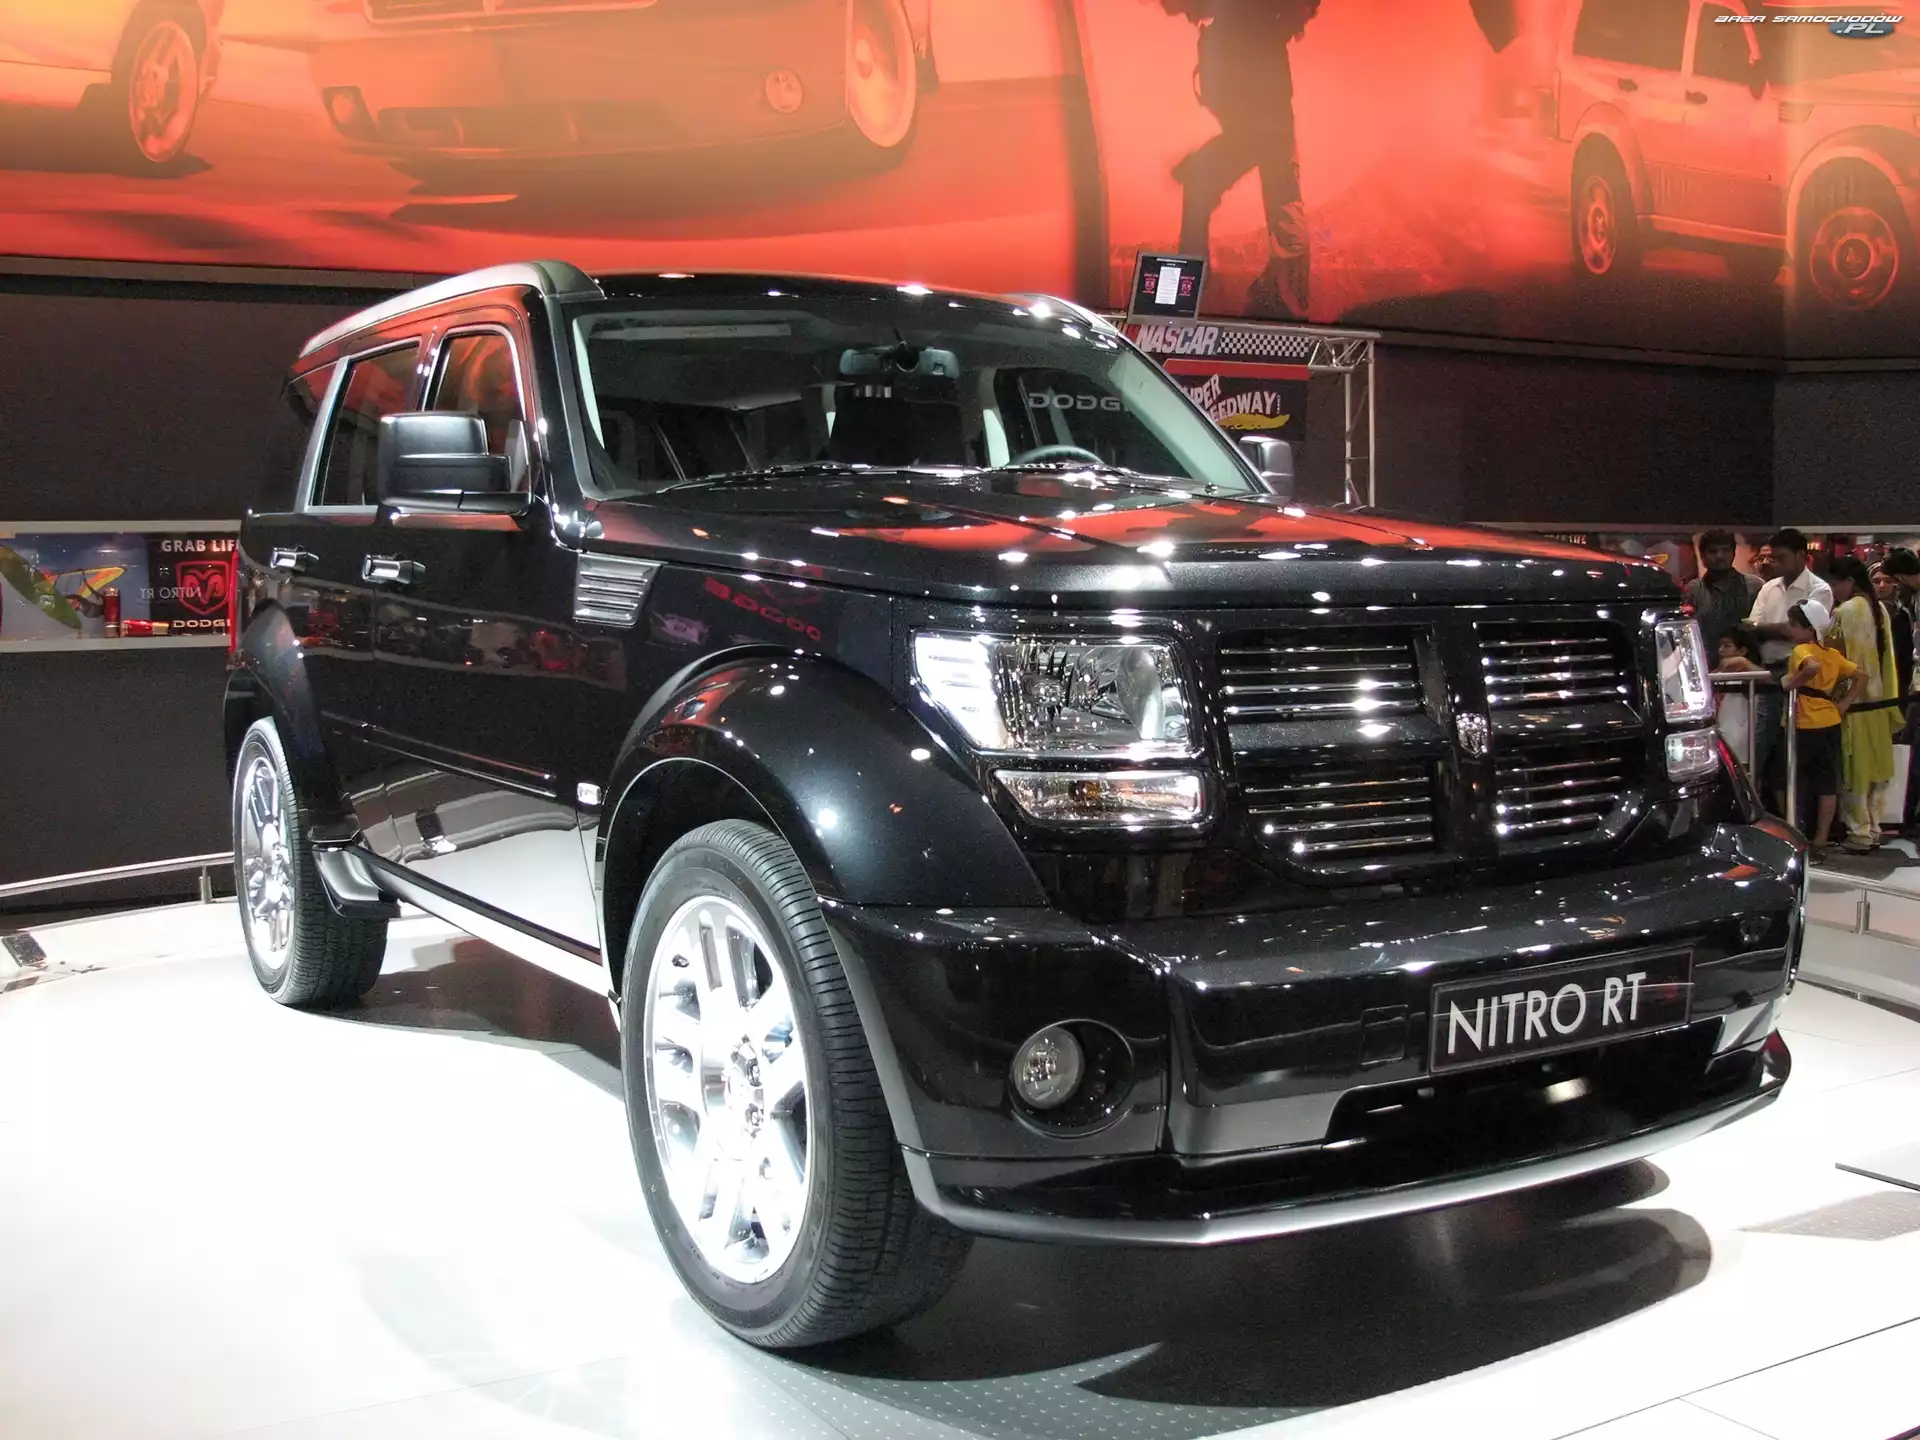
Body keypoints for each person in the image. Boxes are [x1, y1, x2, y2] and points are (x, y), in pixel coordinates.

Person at [1165, 0, 1320, 318]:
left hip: (1259, 100)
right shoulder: (1238, 28)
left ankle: (1194, 287)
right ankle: (1280, 292)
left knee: (1278, 193)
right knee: (1279, 192)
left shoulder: (1242, 29)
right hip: (1259, 99)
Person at [1745, 528, 1835, 811]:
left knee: (1796, 753)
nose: (1774, 563)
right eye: (1772, 557)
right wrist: (1775, 629)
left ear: (1800, 555)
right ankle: (1760, 812)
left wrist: (1765, 628)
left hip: (1802, 675)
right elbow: (1751, 628)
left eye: (1781, 557)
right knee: (1759, 746)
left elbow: (1801, 633)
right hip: (1766, 673)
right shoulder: (1768, 587)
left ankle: (1800, 820)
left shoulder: (1819, 589)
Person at [1782, 599, 1863, 859]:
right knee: (1827, 783)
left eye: (1794, 625)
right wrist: (1845, 703)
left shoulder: (1802, 649)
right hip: (1831, 721)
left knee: (1794, 780)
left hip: (1806, 724)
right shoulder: (1833, 654)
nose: (1790, 629)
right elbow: (1862, 676)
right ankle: (1821, 838)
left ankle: (1796, 835)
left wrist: (1791, 683)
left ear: (1809, 629)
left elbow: (1812, 667)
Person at [1827, 556, 1898, 853]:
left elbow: (1835, 657)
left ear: (1849, 581)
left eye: (1835, 583)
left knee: (1854, 767)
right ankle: (1874, 828)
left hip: (1852, 701)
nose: (1833, 589)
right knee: (1874, 768)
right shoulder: (1879, 608)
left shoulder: (1844, 611)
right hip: (1879, 700)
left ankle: (1859, 832)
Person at [1685, 529, 1761, 656]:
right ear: (1703, 557)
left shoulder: (1753, 585)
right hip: (1707, 660)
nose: (1720, 556)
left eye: (1725, 550)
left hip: (1748, 661)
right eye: (1713, 551)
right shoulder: (1694, 589)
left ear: (1733, 554)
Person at [1714, 624, 1769, 773]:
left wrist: (1744, 663)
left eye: (1727, 646)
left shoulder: (1749, 677)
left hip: (1739, 743)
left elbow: (1768, 679)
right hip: (1718, 739)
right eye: (1720, 646)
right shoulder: (1716, 674)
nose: (1720, 650)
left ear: (1742, 651)